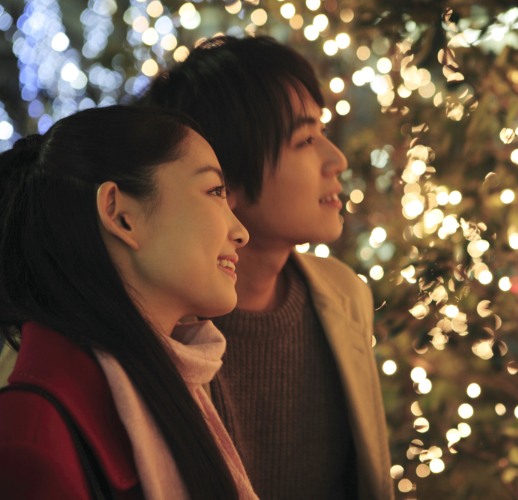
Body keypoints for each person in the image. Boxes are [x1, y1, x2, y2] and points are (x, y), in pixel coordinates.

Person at [139, 35, 393, 499]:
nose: (336, 160)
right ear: (223, 178)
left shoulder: (343, 296)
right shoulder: (156, 327)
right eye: (305, 140)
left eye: (324, 133)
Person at [0, 105, 258, 499]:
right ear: (120, 215)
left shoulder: (176, 378)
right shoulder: (31, 436)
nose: (240, 233)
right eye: (214, 191)